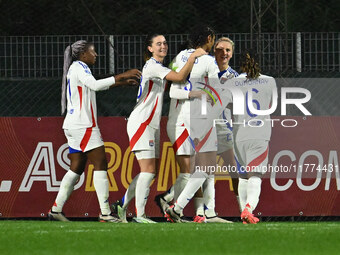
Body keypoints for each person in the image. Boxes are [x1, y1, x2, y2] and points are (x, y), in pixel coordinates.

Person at [111, 34, 207, 223]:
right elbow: (179, 76)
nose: (163, 46)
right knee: (147, 171)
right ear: (150, 49)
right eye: (158, 44)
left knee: (150, 171)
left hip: (152, 124)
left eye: (164, 43)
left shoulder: (159, 67)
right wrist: (192, 57)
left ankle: (122, 204)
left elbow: (175, 76)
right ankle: (139, 215)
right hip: (142, 122)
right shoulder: (153, 67)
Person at [48, 40, 141, 222]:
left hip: (73, 124)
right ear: (83, 54)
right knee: (101, 164)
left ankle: (56, 209)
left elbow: (93, 86)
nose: (96, 55)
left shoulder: (78, 68)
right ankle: (105, 212)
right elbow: (95, 85)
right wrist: (122, 75)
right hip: (84, 125)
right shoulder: (79, 67)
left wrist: (120, 82)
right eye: (93, 52)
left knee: (76, 168)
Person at [165, 25, 231, 223]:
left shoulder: (179, 58)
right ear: (209, 39)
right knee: (206, 166)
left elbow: (173, 90)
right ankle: (177, 207)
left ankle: (208, 211)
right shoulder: (209, 62)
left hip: (185, 116)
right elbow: (216, 93)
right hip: (202, 117)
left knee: (206, 167)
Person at [225, 49, 277, 224]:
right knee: (255, 175)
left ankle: (243, 213)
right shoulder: (269, 81)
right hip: (260, 133)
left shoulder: (232, 82)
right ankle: (249, 209)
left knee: (242, 175)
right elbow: (270, 105)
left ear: (239, 65)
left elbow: (227, 107)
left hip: (239, 133)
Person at [213, 37, 242, 212]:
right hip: (204, 128)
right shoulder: (205, 73)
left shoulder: (236, 78)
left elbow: (239, 107)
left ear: (231, 54)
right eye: (220, 49)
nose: (224, 53)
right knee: (200, 172)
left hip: (224, 130)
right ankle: (202, 212)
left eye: (228, 50)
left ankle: (243, 211)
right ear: (213, 51)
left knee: (235, 172)